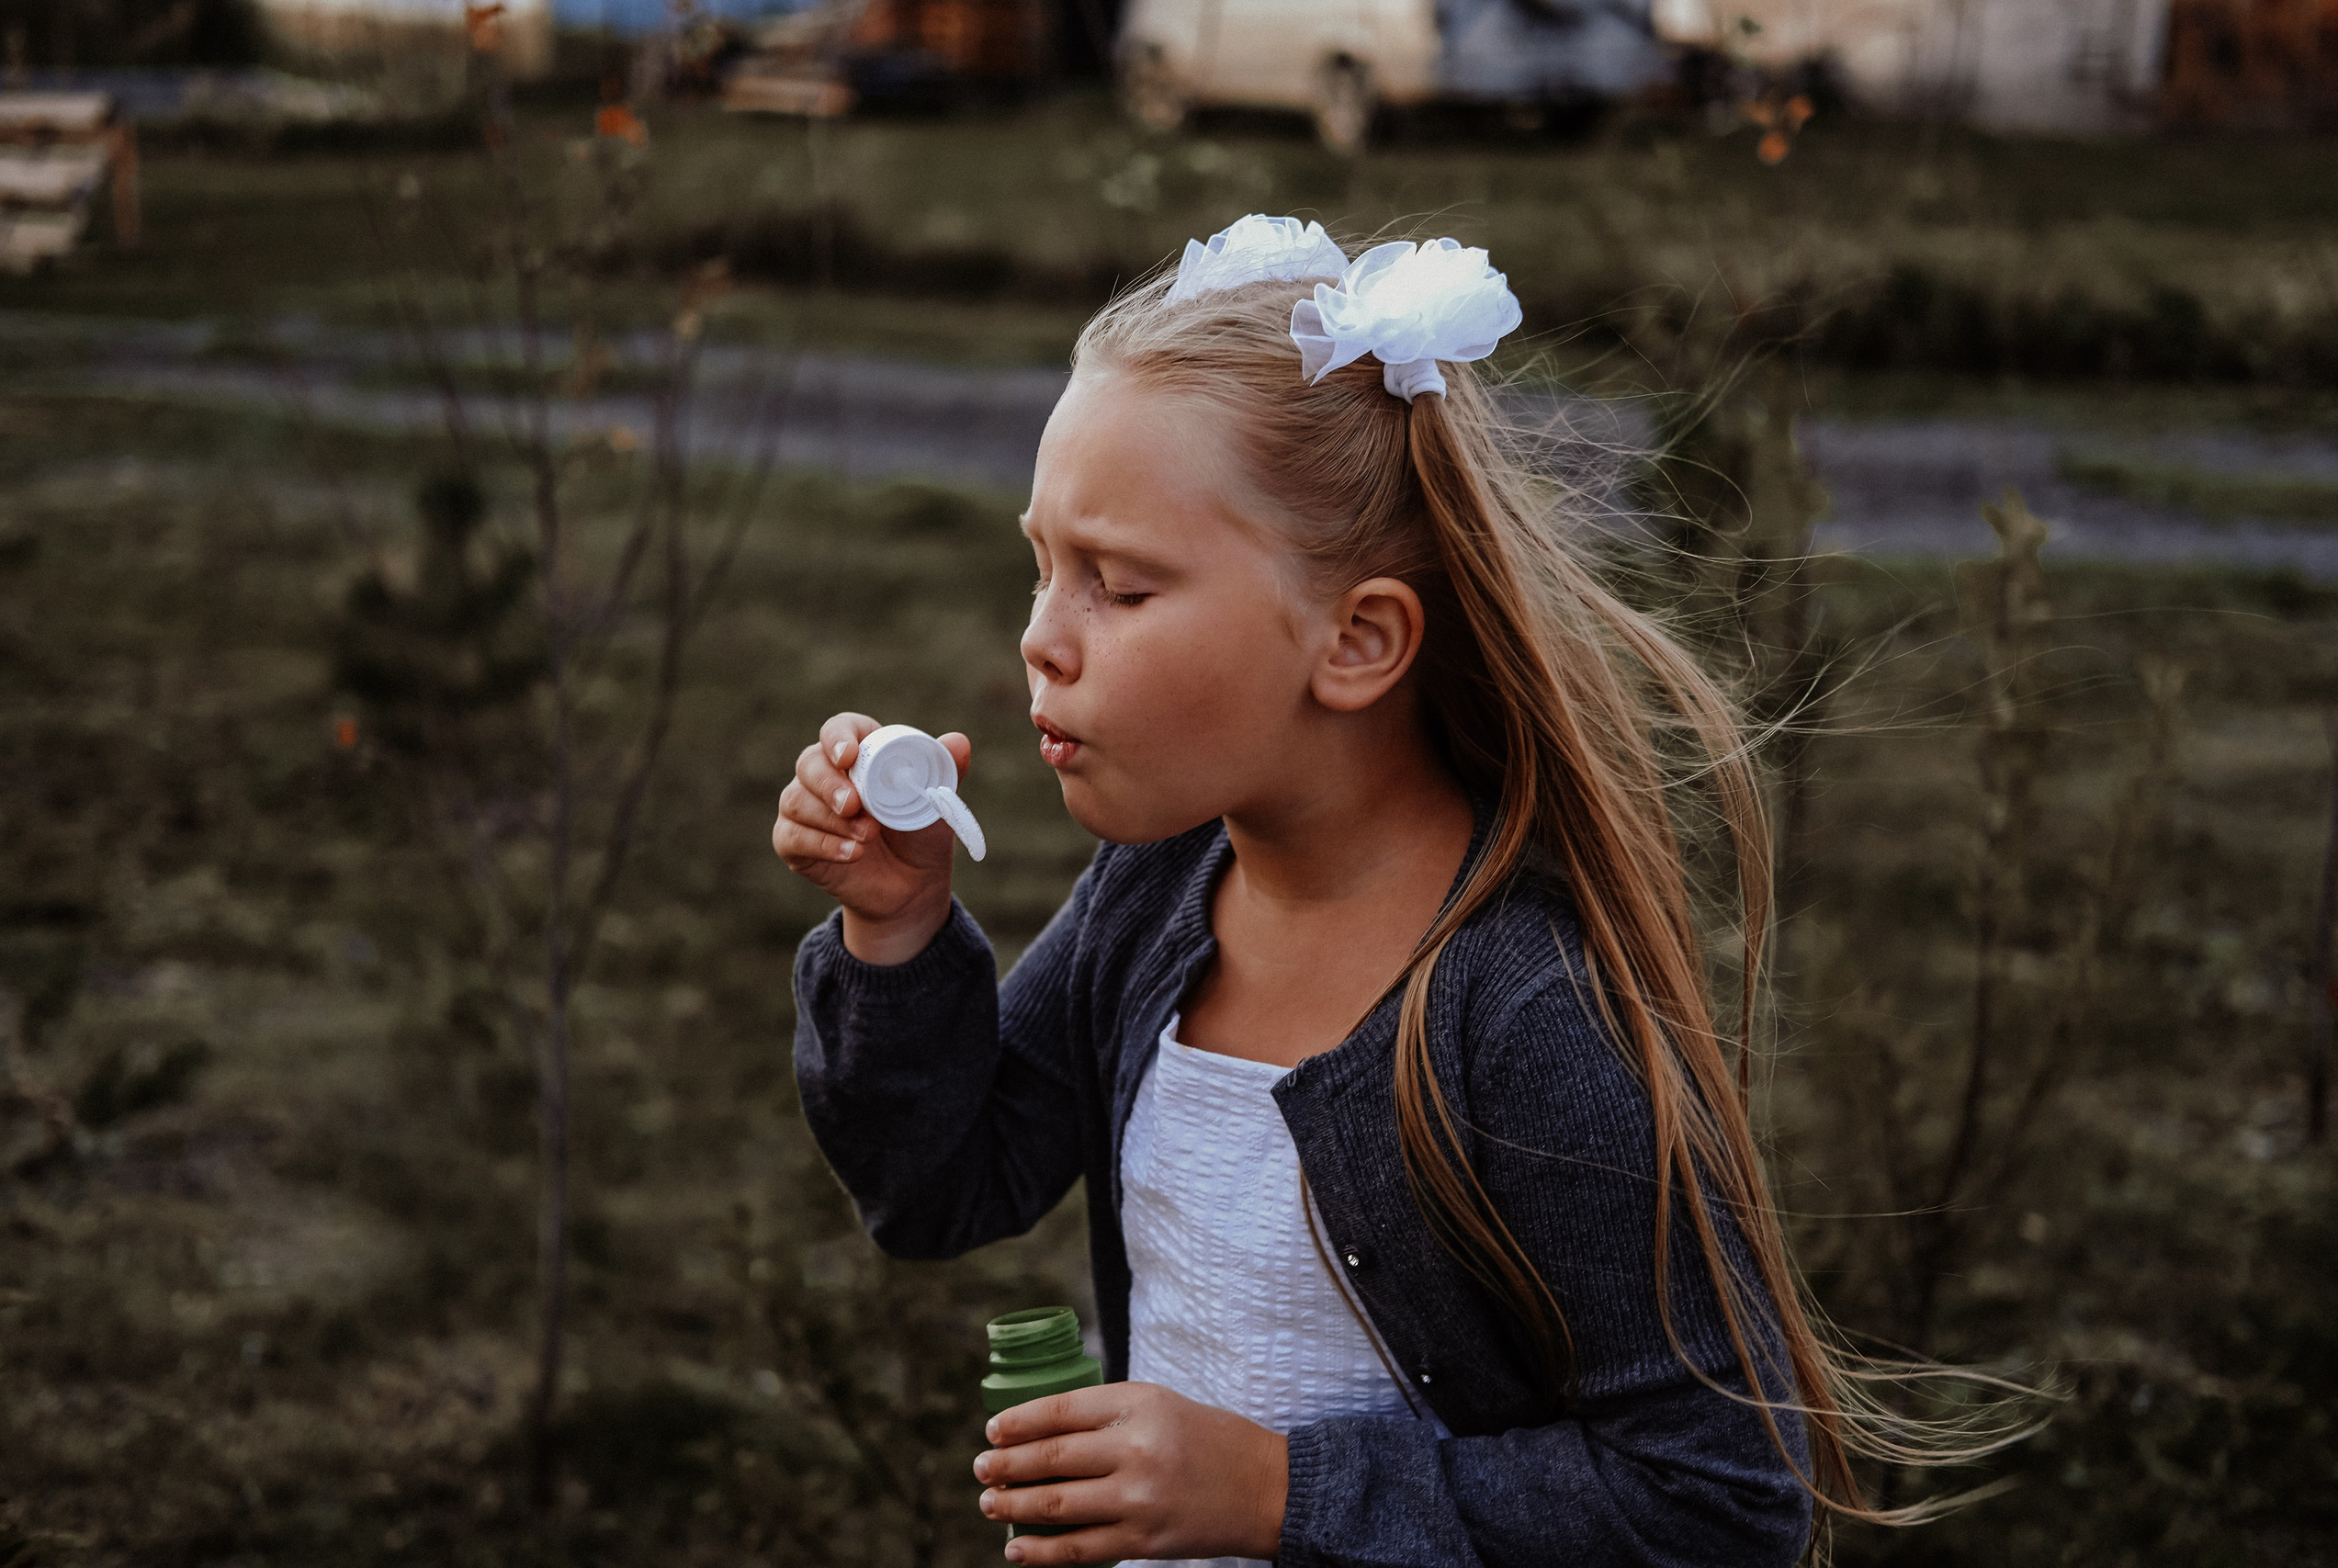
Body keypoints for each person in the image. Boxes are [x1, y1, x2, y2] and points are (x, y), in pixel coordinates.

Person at [774, 216, 1881, 1566]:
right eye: (1041, 566)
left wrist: (1276, 1491)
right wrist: (895, 935)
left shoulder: (1521, 1016)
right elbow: (941, 1184)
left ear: (1356, 641)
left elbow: (1720, 1500)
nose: (1038, 640)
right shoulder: (1160, 891)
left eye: (1118, 588)